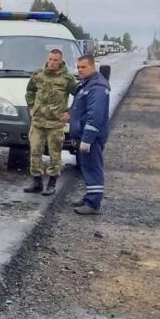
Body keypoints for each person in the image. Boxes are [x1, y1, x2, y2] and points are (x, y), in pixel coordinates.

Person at [23, 49, 77, 196]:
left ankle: (52, 183)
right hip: (38, 122)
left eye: (55, 60)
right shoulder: (39, 75)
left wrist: (69, 113)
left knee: (55, 154)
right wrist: (31, 106)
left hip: (55, 123)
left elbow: (79, 96)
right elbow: (30, 90)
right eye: (50, 59)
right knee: (35, 151)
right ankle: (37, 181)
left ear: (61, 61)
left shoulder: (67, 79)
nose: (52, 63)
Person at [68, 54, 110, 215]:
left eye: (83, 67)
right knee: (87, 167)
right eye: (78, 67)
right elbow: (80, 109)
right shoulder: (86, 85)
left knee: (93, 168)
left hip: (91, 138)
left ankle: (93, 204)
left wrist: (87, 139)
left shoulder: (97, 88)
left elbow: (95, 115)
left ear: (93, 67)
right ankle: (89, 198)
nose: (80, 70)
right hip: (83, 136)